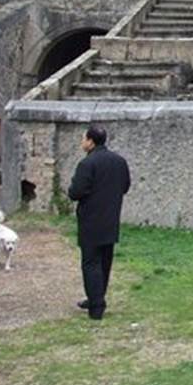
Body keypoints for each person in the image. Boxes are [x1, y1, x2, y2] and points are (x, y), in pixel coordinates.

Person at [67, 125, 130, 320]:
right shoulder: (119, 161)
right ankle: (96, 296)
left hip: (91, 219)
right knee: (104, 261)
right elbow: (125, 186)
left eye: (83, 138)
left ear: (91, 141)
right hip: (111, 217)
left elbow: (75, 192)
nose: (82, 142)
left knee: (91, 262)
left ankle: (96, 304)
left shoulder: (87, 164)